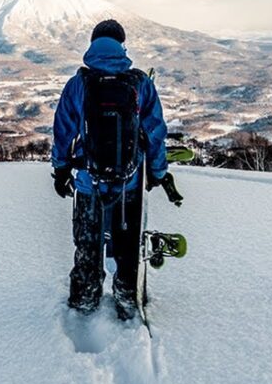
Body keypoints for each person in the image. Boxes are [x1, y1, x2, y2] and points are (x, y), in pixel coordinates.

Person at [50, 19, 180, 319]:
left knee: (87, 244)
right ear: (122, 45)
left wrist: (60, 170)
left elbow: (63, 132)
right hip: (129, 182)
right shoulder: (139, 83)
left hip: (87, 181)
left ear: (92, 44)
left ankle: (85, 299)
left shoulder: (78, 84)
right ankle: (126, 297)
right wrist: (158, 173)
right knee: (127, 246)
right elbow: (156, 132)